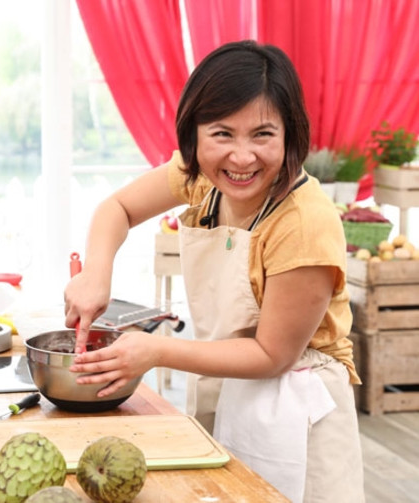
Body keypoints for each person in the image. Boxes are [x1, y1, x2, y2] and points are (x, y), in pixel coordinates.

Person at [63, 40, 365, 503]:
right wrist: (95, 274)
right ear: (195, 133)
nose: (241, 158)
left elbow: (272, 355)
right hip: (230, 383)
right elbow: (117, 207)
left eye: (262, 135)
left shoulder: (304, 222)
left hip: (296, 406)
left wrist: (156, 350)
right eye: (222, 134)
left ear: (290, 135)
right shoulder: (201, 173)